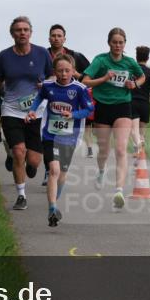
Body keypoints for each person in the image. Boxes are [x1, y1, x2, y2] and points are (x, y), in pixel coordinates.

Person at [0, 16, 54, 211]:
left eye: (26, 29)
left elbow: (51, 75)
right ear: (12, 34)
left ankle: (27, 164)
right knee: (19, 152)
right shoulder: (4, 56)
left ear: (31, 33)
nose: (22, 33)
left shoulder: (42, 53)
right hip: (12, 110)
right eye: (18, 30)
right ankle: (21, 195)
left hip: (36, 111)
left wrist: (47, 83)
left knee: (33, 161)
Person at [25, 55, 94, 227]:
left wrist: (73, 114)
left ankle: (54, 202)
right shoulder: (48, 86)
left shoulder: (79, 89)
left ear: (73, 71)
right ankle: (52, 209)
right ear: (54, 72)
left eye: (67, 71)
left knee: (62, 173)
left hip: (70, 136)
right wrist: (33, 111)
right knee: (54, 170)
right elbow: (39, 98)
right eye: (60, 71)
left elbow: (89, 109)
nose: (64, 74)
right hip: (50, 135)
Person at [82, 27, 145, 209]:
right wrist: (103, 78)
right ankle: (101, 171)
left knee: (120, 149)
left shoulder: (129, 62)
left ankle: (118, 190)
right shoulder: (101, 60)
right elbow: (85, 81)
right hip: (103, 107)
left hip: (123, 107)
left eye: (121, 42)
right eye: (114, 42)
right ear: (109, 43)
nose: (118, 45)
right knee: (104, 151)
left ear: (125, 44)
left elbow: (141, 77)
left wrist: (134, 84)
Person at [44, 24, 90, 186]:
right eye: (53, 35)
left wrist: (76, 75)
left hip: (68, 99)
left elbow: (88, 75)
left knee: (62, 132)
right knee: (47, 133)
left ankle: (54, 168)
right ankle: (49, 167)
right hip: (47, 97)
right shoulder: (43, 54)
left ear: (64, 38)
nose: (56, 38)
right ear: (49, 38)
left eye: (59, 35)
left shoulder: (75, 55)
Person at [129, 45, 150, 151]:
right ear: (148, 58)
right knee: (142, 132)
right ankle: (140, 153)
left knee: (134, 131)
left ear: (136, 57)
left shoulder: (131, 70)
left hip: (132, 102)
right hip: (144, 104)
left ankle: (137, 149)